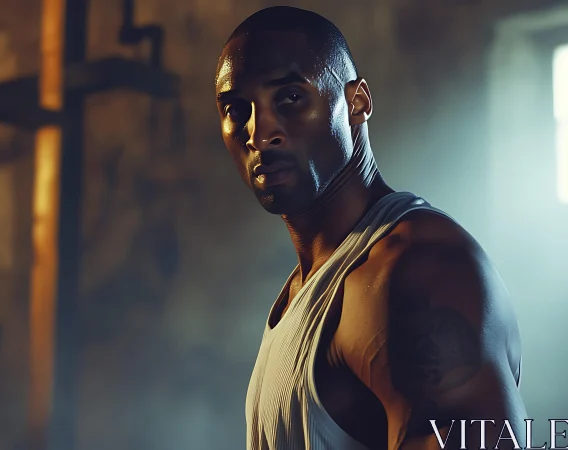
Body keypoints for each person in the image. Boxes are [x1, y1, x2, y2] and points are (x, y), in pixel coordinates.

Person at [215, 6, 526, 450]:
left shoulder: (415, 269)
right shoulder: (303, 291)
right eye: (236, 109)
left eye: (290, 97)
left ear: (357, 103)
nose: (260, 132)